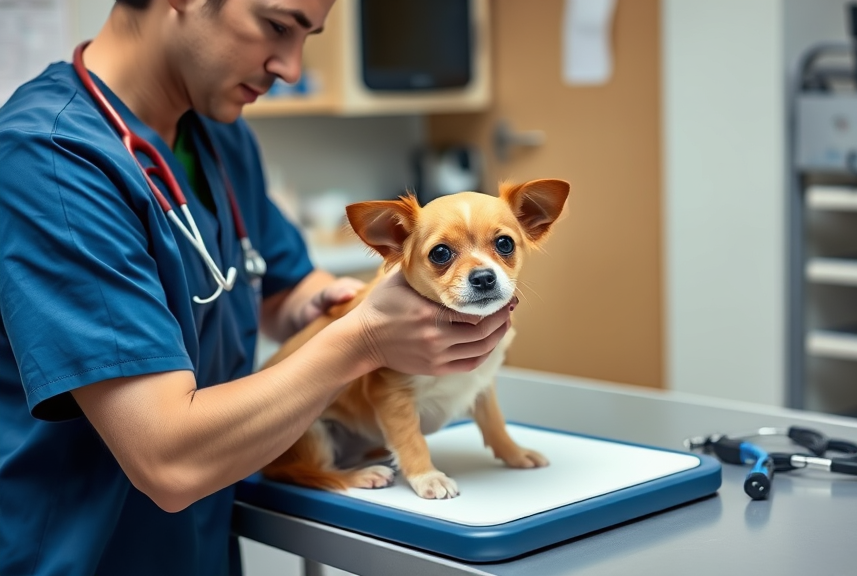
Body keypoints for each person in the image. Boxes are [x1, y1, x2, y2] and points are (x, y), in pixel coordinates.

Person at [0, 1, 513, 574]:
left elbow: (284, 289)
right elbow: (168, 460)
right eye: (276, 26)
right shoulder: (50, 162)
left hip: (202, 543)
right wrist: (364, 340)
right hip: (89, 552)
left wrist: (365, 302)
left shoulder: (218, 132)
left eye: (307, 37)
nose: (291, 68)